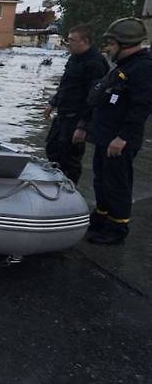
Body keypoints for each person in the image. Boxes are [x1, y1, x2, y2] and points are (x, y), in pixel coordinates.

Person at [83, 17, 152, 245]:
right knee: (101, 180)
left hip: (119, 140)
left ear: (125, 43)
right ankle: (102, 218)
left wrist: (122, 137)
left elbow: (140, 107)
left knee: (117, 184)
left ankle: (117, 227)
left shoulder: (142, 68)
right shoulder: (125, 67)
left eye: (112, 44)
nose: (108, 48)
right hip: (106, 136)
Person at [42, 24, 109, 184]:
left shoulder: (96, 63)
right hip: (63, 114)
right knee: (52, 148)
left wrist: (83, 126)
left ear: (84, 41)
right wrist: (53, 103)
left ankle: (69, 189)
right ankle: (55, 183)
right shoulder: (74, 58)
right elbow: (66, 85)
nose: (67, 43)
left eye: (72, 40)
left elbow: (94, 98)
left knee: (70, 158)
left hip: (77, 117)